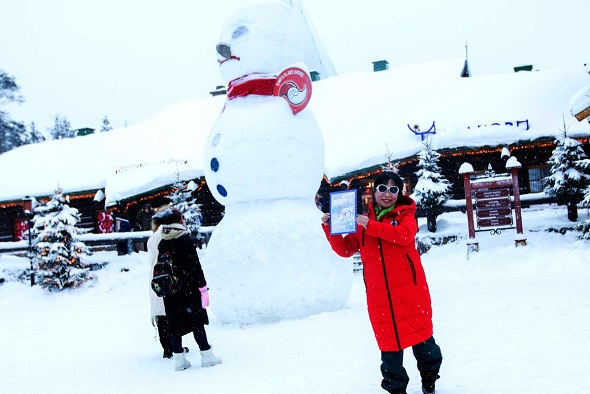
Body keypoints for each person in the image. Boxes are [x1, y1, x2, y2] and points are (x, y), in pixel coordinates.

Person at [321, 171, 442, 394]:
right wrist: (331, 228)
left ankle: (429, 378)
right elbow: (346, 250)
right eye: (383, 189)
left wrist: (371, 226)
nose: (387, 194)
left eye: (393, 189)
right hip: (380, 297)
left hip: (410, 292)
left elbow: (403, 235)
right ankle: (396, 390)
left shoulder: (406, 214)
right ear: (374, 191)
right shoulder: (361, 220)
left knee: (425, 344)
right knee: (390, 350)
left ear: (399, 193)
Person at [154, 208, 222, 371]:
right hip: (188, 290)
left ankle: (179, 360)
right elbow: (195, 267)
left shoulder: (163, 241)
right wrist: (203, 288)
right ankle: (206, 355)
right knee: (197, 323)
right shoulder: (184, 240)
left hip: (170, 292)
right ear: (178, 221)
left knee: (174, 325)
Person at [147, 208, 189, 359]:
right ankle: (172, 347)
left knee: (162, 315)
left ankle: (168, 346)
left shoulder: (153, 238)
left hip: (158, 277)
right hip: (167, 276)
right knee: (168, 315)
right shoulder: (167, 235)